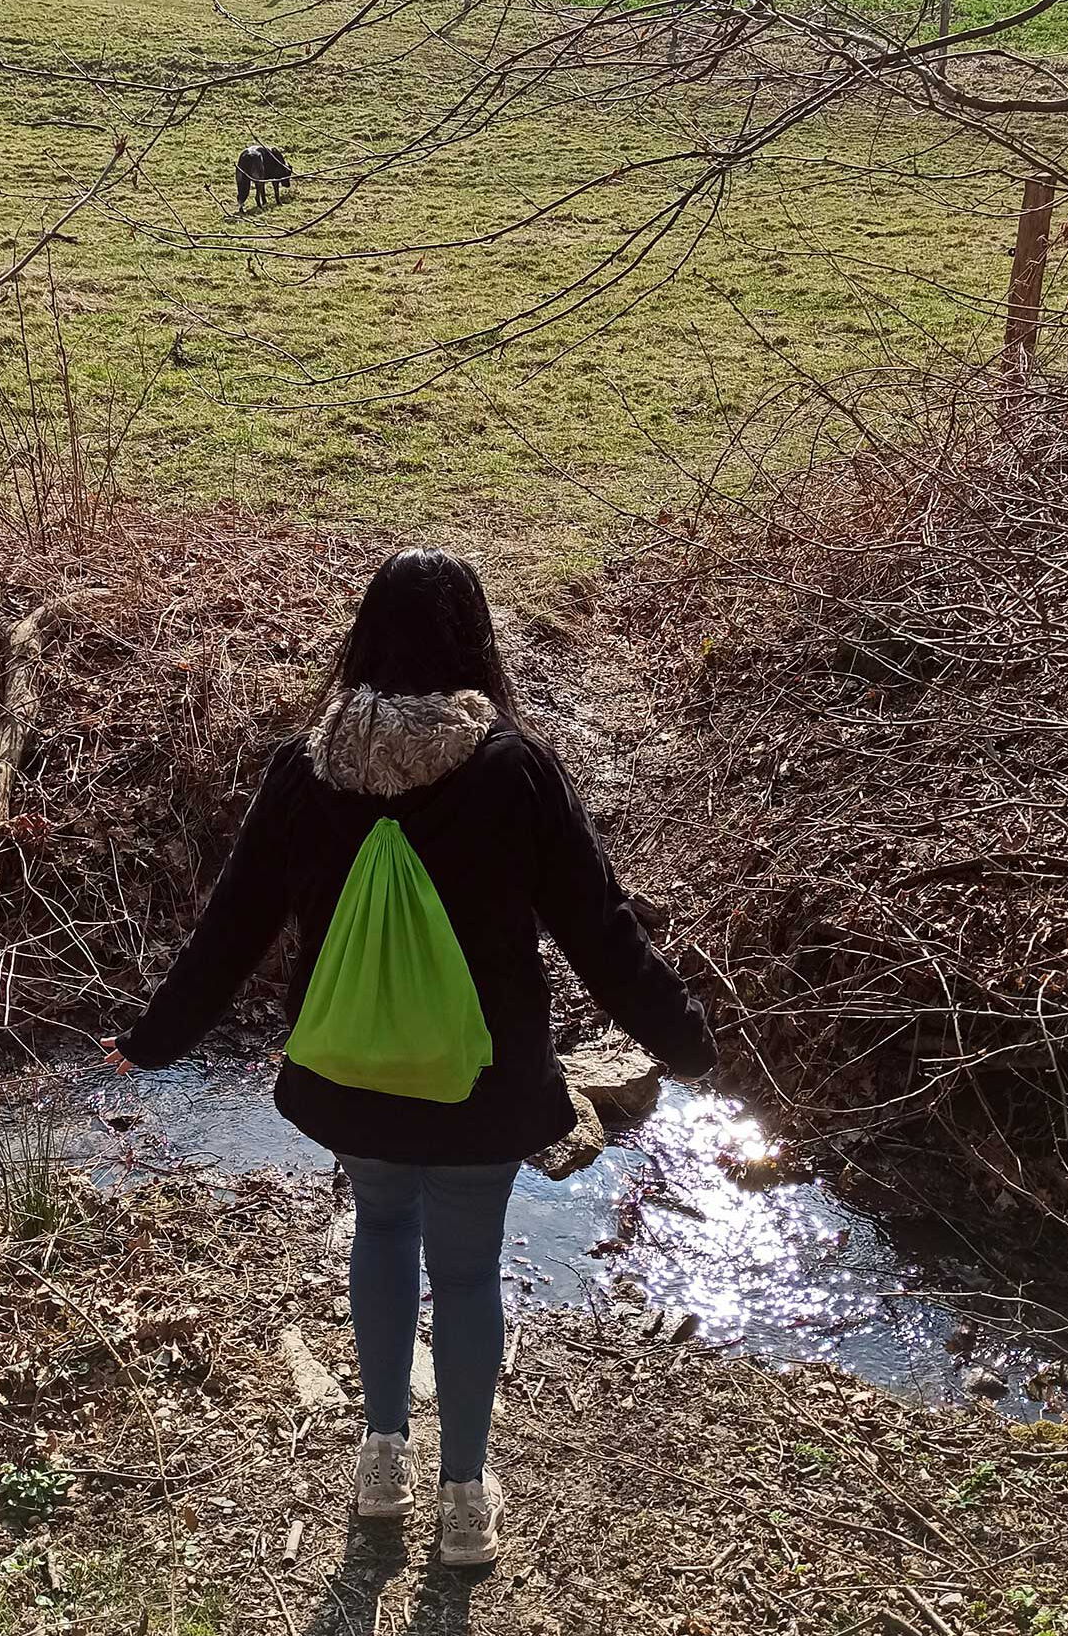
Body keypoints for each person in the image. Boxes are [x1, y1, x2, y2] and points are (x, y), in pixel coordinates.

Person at [103, 548, 715, 1568]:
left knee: (381, 1228)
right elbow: (600, 930)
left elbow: (232, 926)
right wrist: (683, 1043)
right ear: (474, 643)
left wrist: (154, 1042)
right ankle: (465, 1497)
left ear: (366, 639)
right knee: (469, 1274)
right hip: (482, 1086)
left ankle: (381, 1455)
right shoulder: (515, 771)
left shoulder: (306, 771)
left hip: (354, 1078)